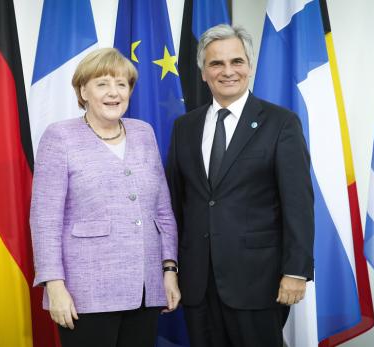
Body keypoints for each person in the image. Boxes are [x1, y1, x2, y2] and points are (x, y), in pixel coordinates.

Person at [166, 24, 314, 347]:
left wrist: (296, 271)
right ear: (203, 73)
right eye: (216, 64)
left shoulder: (281, 123)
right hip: (196, 284)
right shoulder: (184, 128)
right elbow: (176, 204)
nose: (227, 71)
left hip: (258, 283)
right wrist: (170, 269)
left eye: (237, 62)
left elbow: (298, 204)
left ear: (249, 67)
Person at [30, 47, 180, 347]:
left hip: (145, 290)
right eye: (102, 84)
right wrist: (55, 286)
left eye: (121, 84)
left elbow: (162, 210)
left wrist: (169, 269)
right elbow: (45, 219)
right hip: (86, 293)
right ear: (83, 90)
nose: (114, 93)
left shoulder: (143, 133)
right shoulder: (59, 137)